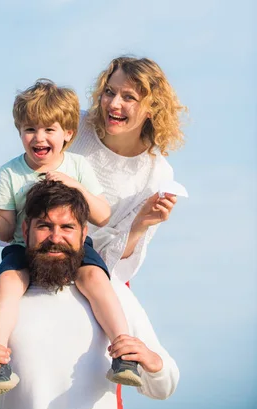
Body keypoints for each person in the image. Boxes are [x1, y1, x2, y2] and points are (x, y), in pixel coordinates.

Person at [0, 180, 179, 409]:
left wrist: (151, 361)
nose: (55, 238)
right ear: (25, 231)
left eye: (67, 227)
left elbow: (164, 386)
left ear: (84, 233)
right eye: (44, 226)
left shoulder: (113, 293)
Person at [0, 79, 140, 399]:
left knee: (97, 279)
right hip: (24, 246)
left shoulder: (78, 165)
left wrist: (76, 186)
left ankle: (124, 353)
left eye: (49, 129)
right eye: (30, 129)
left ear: (68, 134)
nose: (39, 137)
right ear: (20, 132)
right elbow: (4, 231)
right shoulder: (10, 173)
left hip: (72, 247)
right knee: (6, 286)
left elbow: (102, 215)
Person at [68, 56, 186, 285]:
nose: (113, 104)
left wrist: (140, 224)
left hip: (98, 273)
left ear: (152, 109)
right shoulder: (75, 125)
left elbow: (116, 258)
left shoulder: (158, 174)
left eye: (129, 97)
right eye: (110, 92)